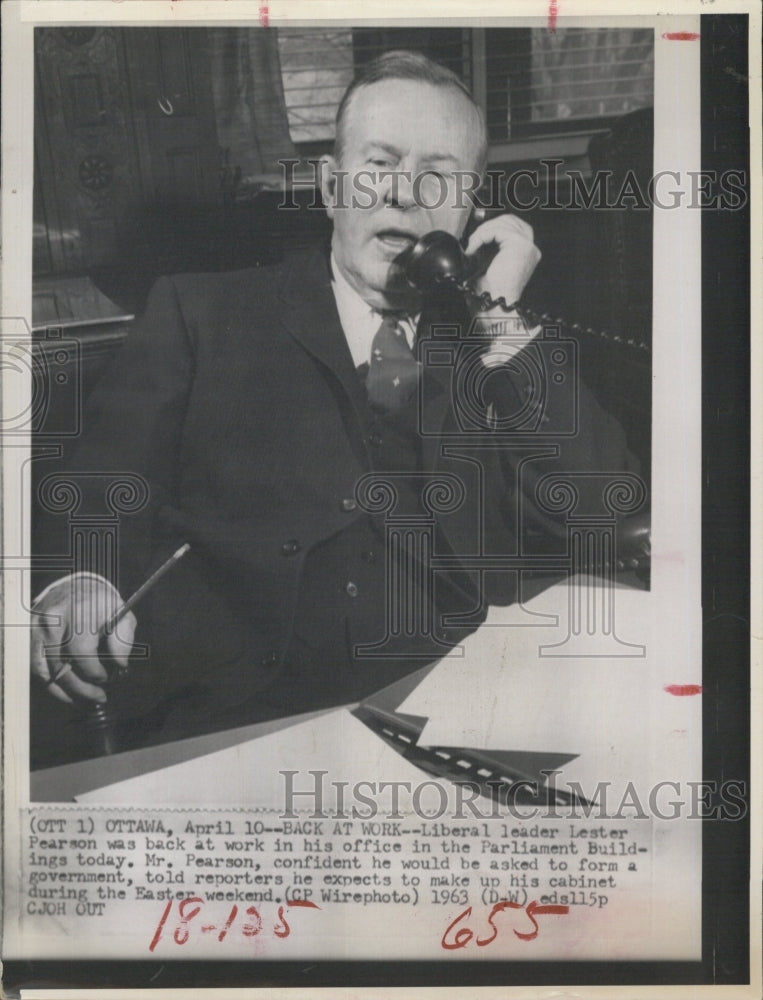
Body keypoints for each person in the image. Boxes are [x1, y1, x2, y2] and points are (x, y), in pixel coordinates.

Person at [30, 51, 638, 762]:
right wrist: (81, 581)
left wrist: (500, 321)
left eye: (438, 175)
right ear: (329, 185)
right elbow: (95, 488)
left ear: (472, 209)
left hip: (464, 714)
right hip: (240, 726)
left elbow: (607, 511)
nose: (404, 194)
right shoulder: (202, 313)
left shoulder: (498, 345)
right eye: (380, 164)